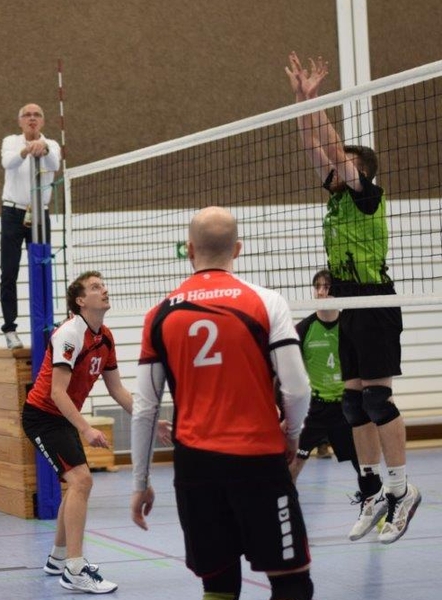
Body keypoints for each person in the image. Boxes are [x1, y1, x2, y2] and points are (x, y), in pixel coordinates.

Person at [130, 207, 314, 600]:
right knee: (292, 582)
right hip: (258, 459)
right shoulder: (267, 302)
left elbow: (145, 409)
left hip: (196, 466)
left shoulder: (159, 314)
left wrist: (140, 483)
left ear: (189, 249)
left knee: (218, 585)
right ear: (238, 249)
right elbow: (297, 388)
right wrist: (292, 435)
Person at [287, 51, 420, 543]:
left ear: (361, 171)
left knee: (377, 398)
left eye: (345, 163)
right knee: (352, 404)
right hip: (350, 306)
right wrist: (301, 102)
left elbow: (332, 147)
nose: (334, 166)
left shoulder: (367, 196)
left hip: (375, 301)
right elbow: (312, 144)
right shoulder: (338, 197)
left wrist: (317, 100)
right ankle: (373, 491)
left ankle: (402, 489)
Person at [22, 271, 133, 595]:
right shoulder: (70, 334)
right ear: (81, 300)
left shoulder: (105, 337)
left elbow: (117, 390)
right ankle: (74, 568)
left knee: (77, 484)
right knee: (82, 481)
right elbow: (57, 392)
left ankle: (58, 559)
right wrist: (86, 429)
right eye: (96, 287)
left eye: (104, 285)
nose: (104, 290)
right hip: (43, 417)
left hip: (62, 418)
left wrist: (149, 418)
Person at [287, 269, 360, 485]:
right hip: (313, 410)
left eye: (326, 287)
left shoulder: (350, 327)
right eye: (317, 287)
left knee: (364, 463)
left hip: (345, 409)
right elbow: (289, 373)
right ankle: (288, 503)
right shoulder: (303, 329)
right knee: (293, 465)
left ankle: (372, 500)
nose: (321, 292)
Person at [0, 103, 62, 349]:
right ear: (20, 121)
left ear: (43, 121)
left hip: (39, 213)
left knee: (42, 267)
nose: (32, 119)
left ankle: (45, 325)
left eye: (37, 115)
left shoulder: (51, 144)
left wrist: (42, 148)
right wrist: (26, 150)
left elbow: (55, 163)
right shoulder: (11, 141)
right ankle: (10, 328)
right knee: (9, 271)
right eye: (27, 115)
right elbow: (8, 162)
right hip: (13, 213)